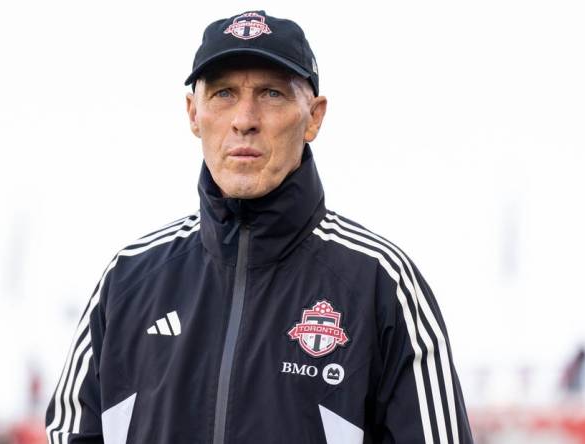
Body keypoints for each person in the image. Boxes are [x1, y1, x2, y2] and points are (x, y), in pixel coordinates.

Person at [45, 10, 473, 444]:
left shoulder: (381, 282)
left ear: (314, 117)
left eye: (271, 94)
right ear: (194, 113)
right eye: (224, 94)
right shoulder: (128, 279)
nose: (244, 119)